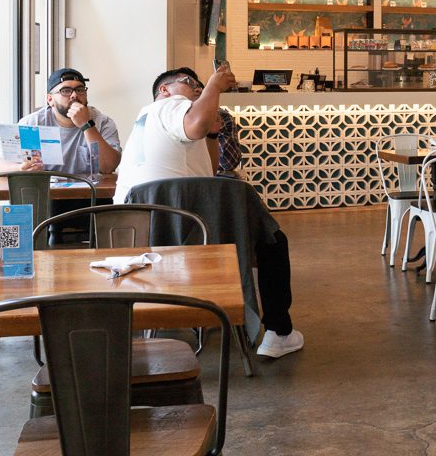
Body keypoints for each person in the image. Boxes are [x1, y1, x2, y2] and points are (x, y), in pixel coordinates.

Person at [116, 65, 303, 359]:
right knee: (273, 241)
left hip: (139, 236)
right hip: (191, 236)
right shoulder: (167, 106)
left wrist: (213, 134)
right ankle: (279, 333)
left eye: (200, 85)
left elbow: (210, 172)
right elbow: (195, 125)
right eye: (189, 83)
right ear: (164, 90)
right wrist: (215, 85)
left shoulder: (147, 122)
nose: (197, 89)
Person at [0, 68, 121, 176]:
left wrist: (87, 125)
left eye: (80, 90)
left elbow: (108, 168)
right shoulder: (34, 123)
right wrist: (20, 168)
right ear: (50, 99)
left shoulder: (102, 122)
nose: (74, 95)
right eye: (65, 91)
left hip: (91, 194)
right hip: (45, 194)